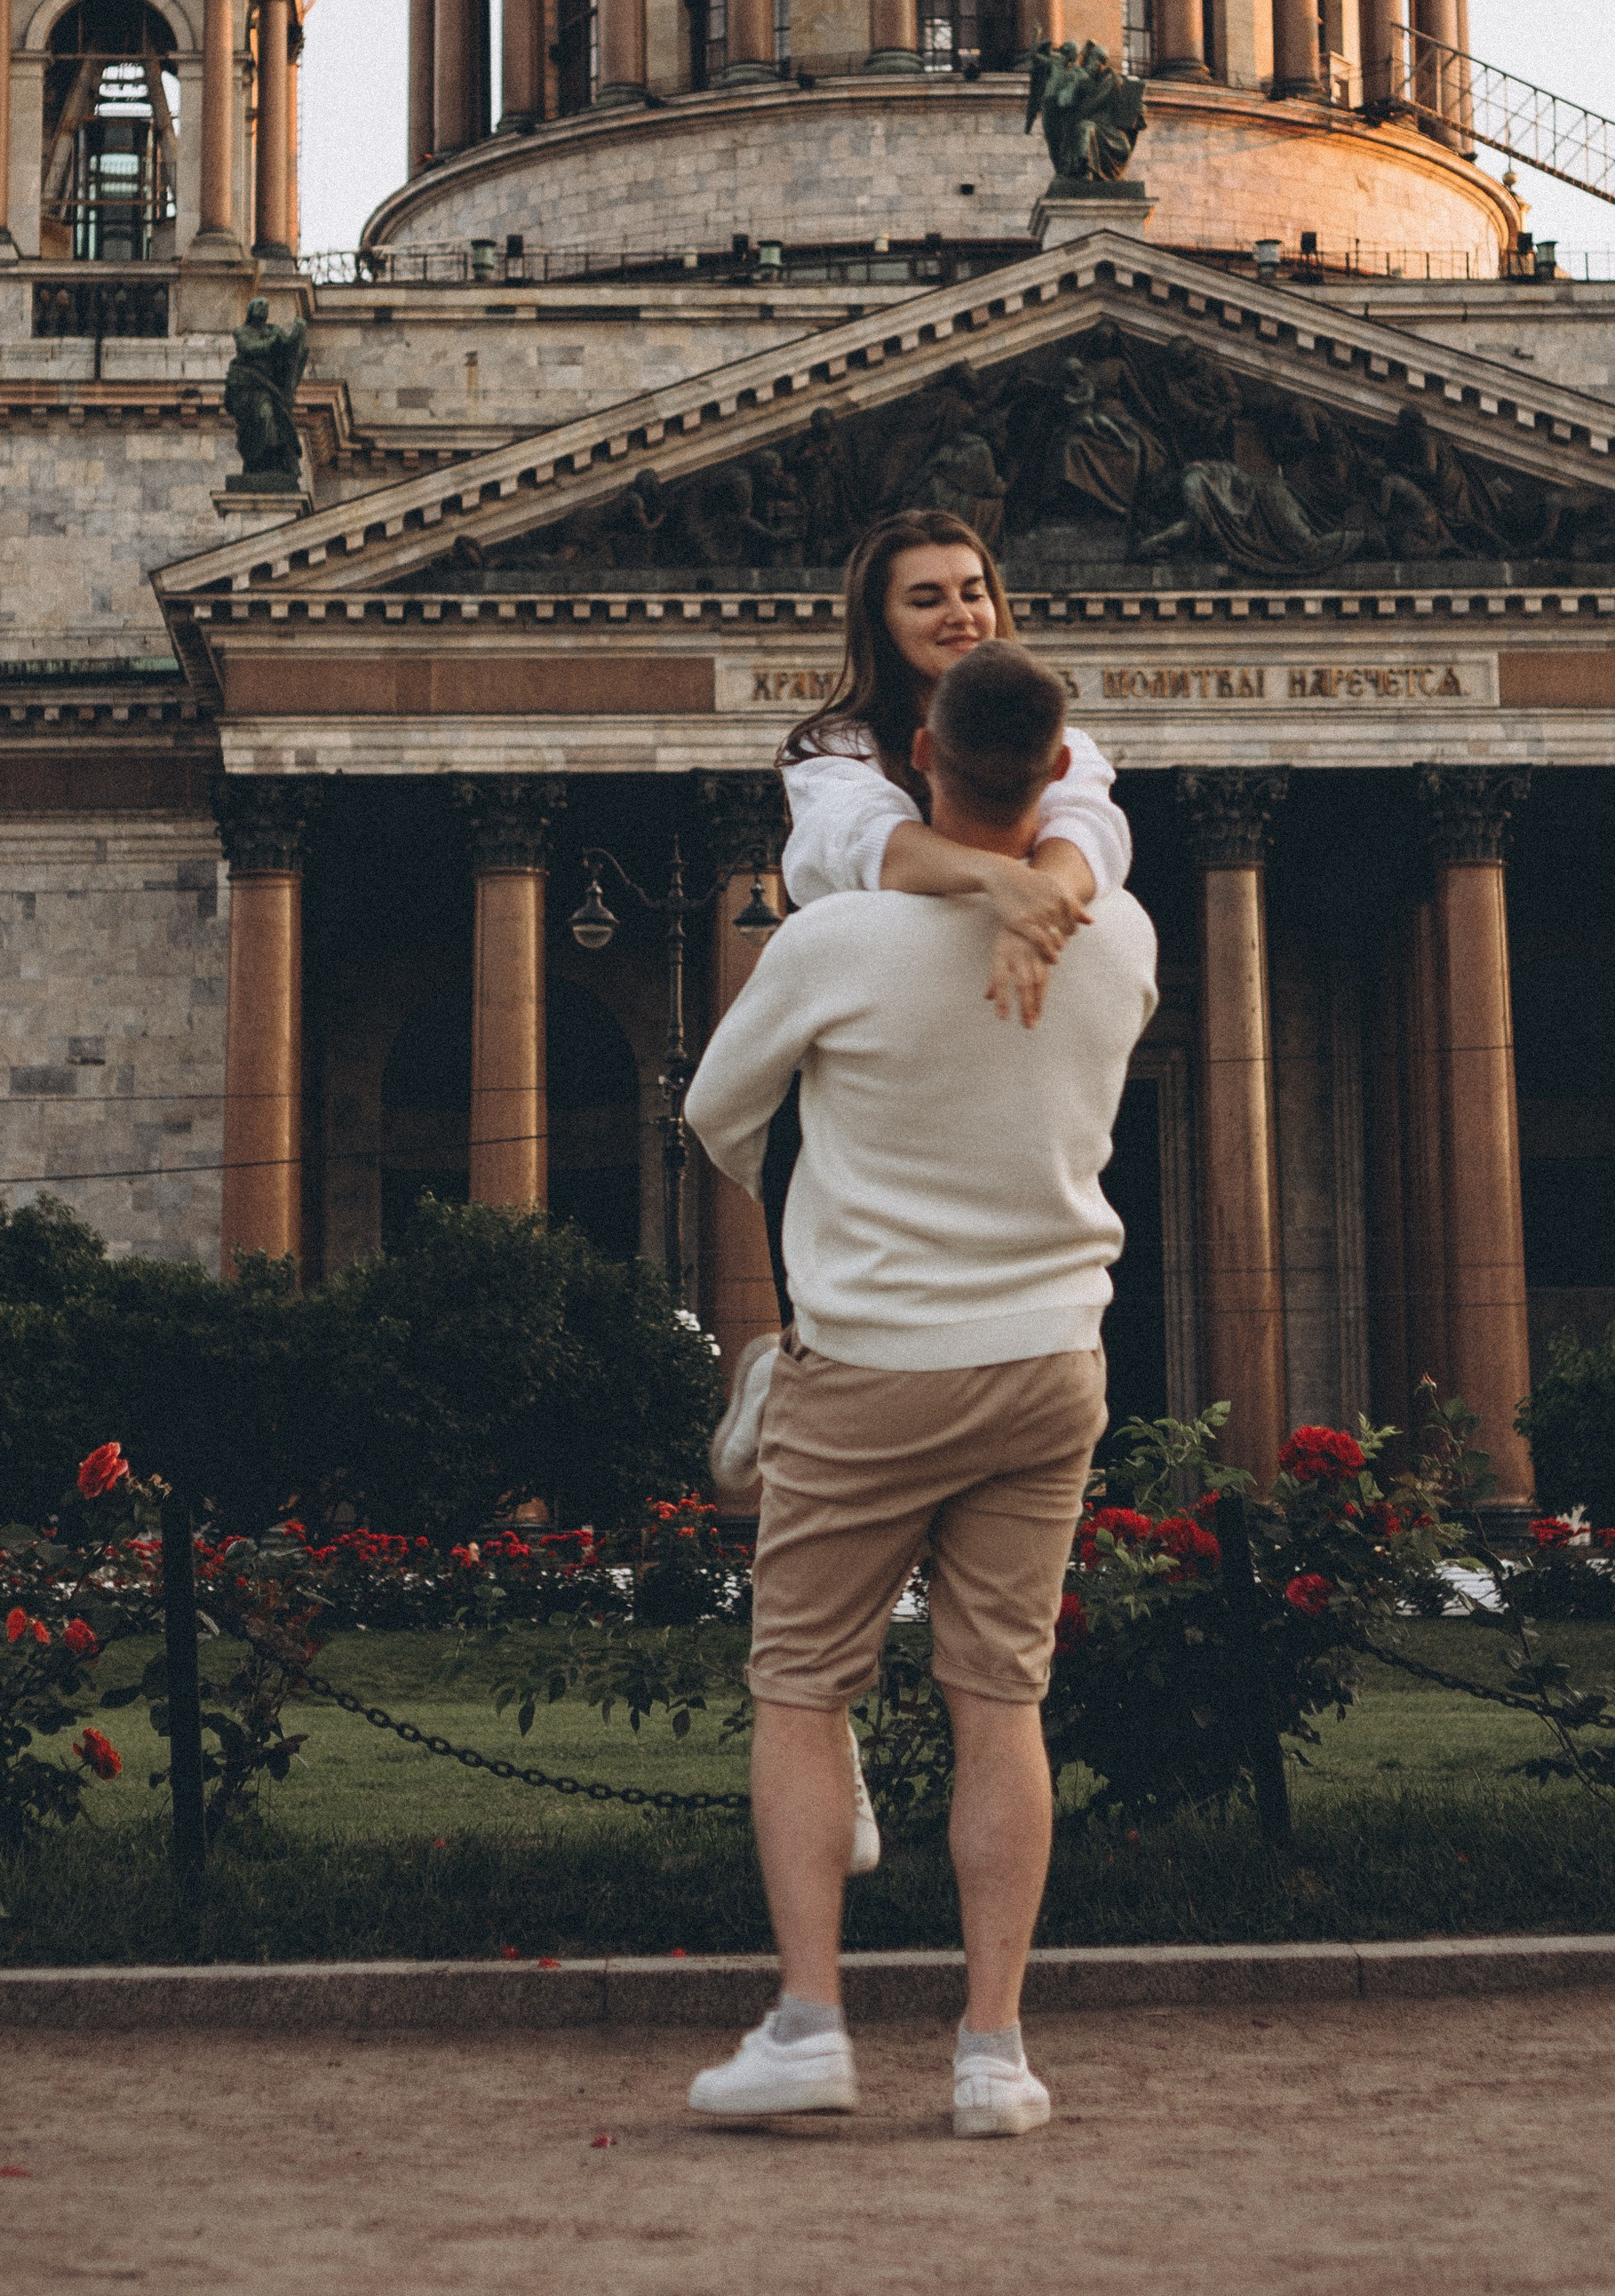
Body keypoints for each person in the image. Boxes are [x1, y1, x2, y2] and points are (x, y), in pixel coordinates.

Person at [683, 642, 1160, 2139]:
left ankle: (813, 2023)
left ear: (923, 763)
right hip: (1049, 1365)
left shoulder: (836, 943)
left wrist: (824, 1158)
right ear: (1060, 761)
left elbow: (713, 1115)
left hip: (874, 1364)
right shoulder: (1128, 938)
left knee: (802, 1687)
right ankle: (993, 2054)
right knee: (997, 1700)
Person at [780, 511, 1129, 1025]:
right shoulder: (834, 748)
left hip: (1029, 1010)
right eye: (927, 600)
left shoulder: (1064, 740)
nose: (961, 615)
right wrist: (999, 878)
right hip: (896, 1013)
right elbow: (858, 839)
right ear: (879, 621)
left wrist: (1028, 908)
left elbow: (1088, 825)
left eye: (973, 593)